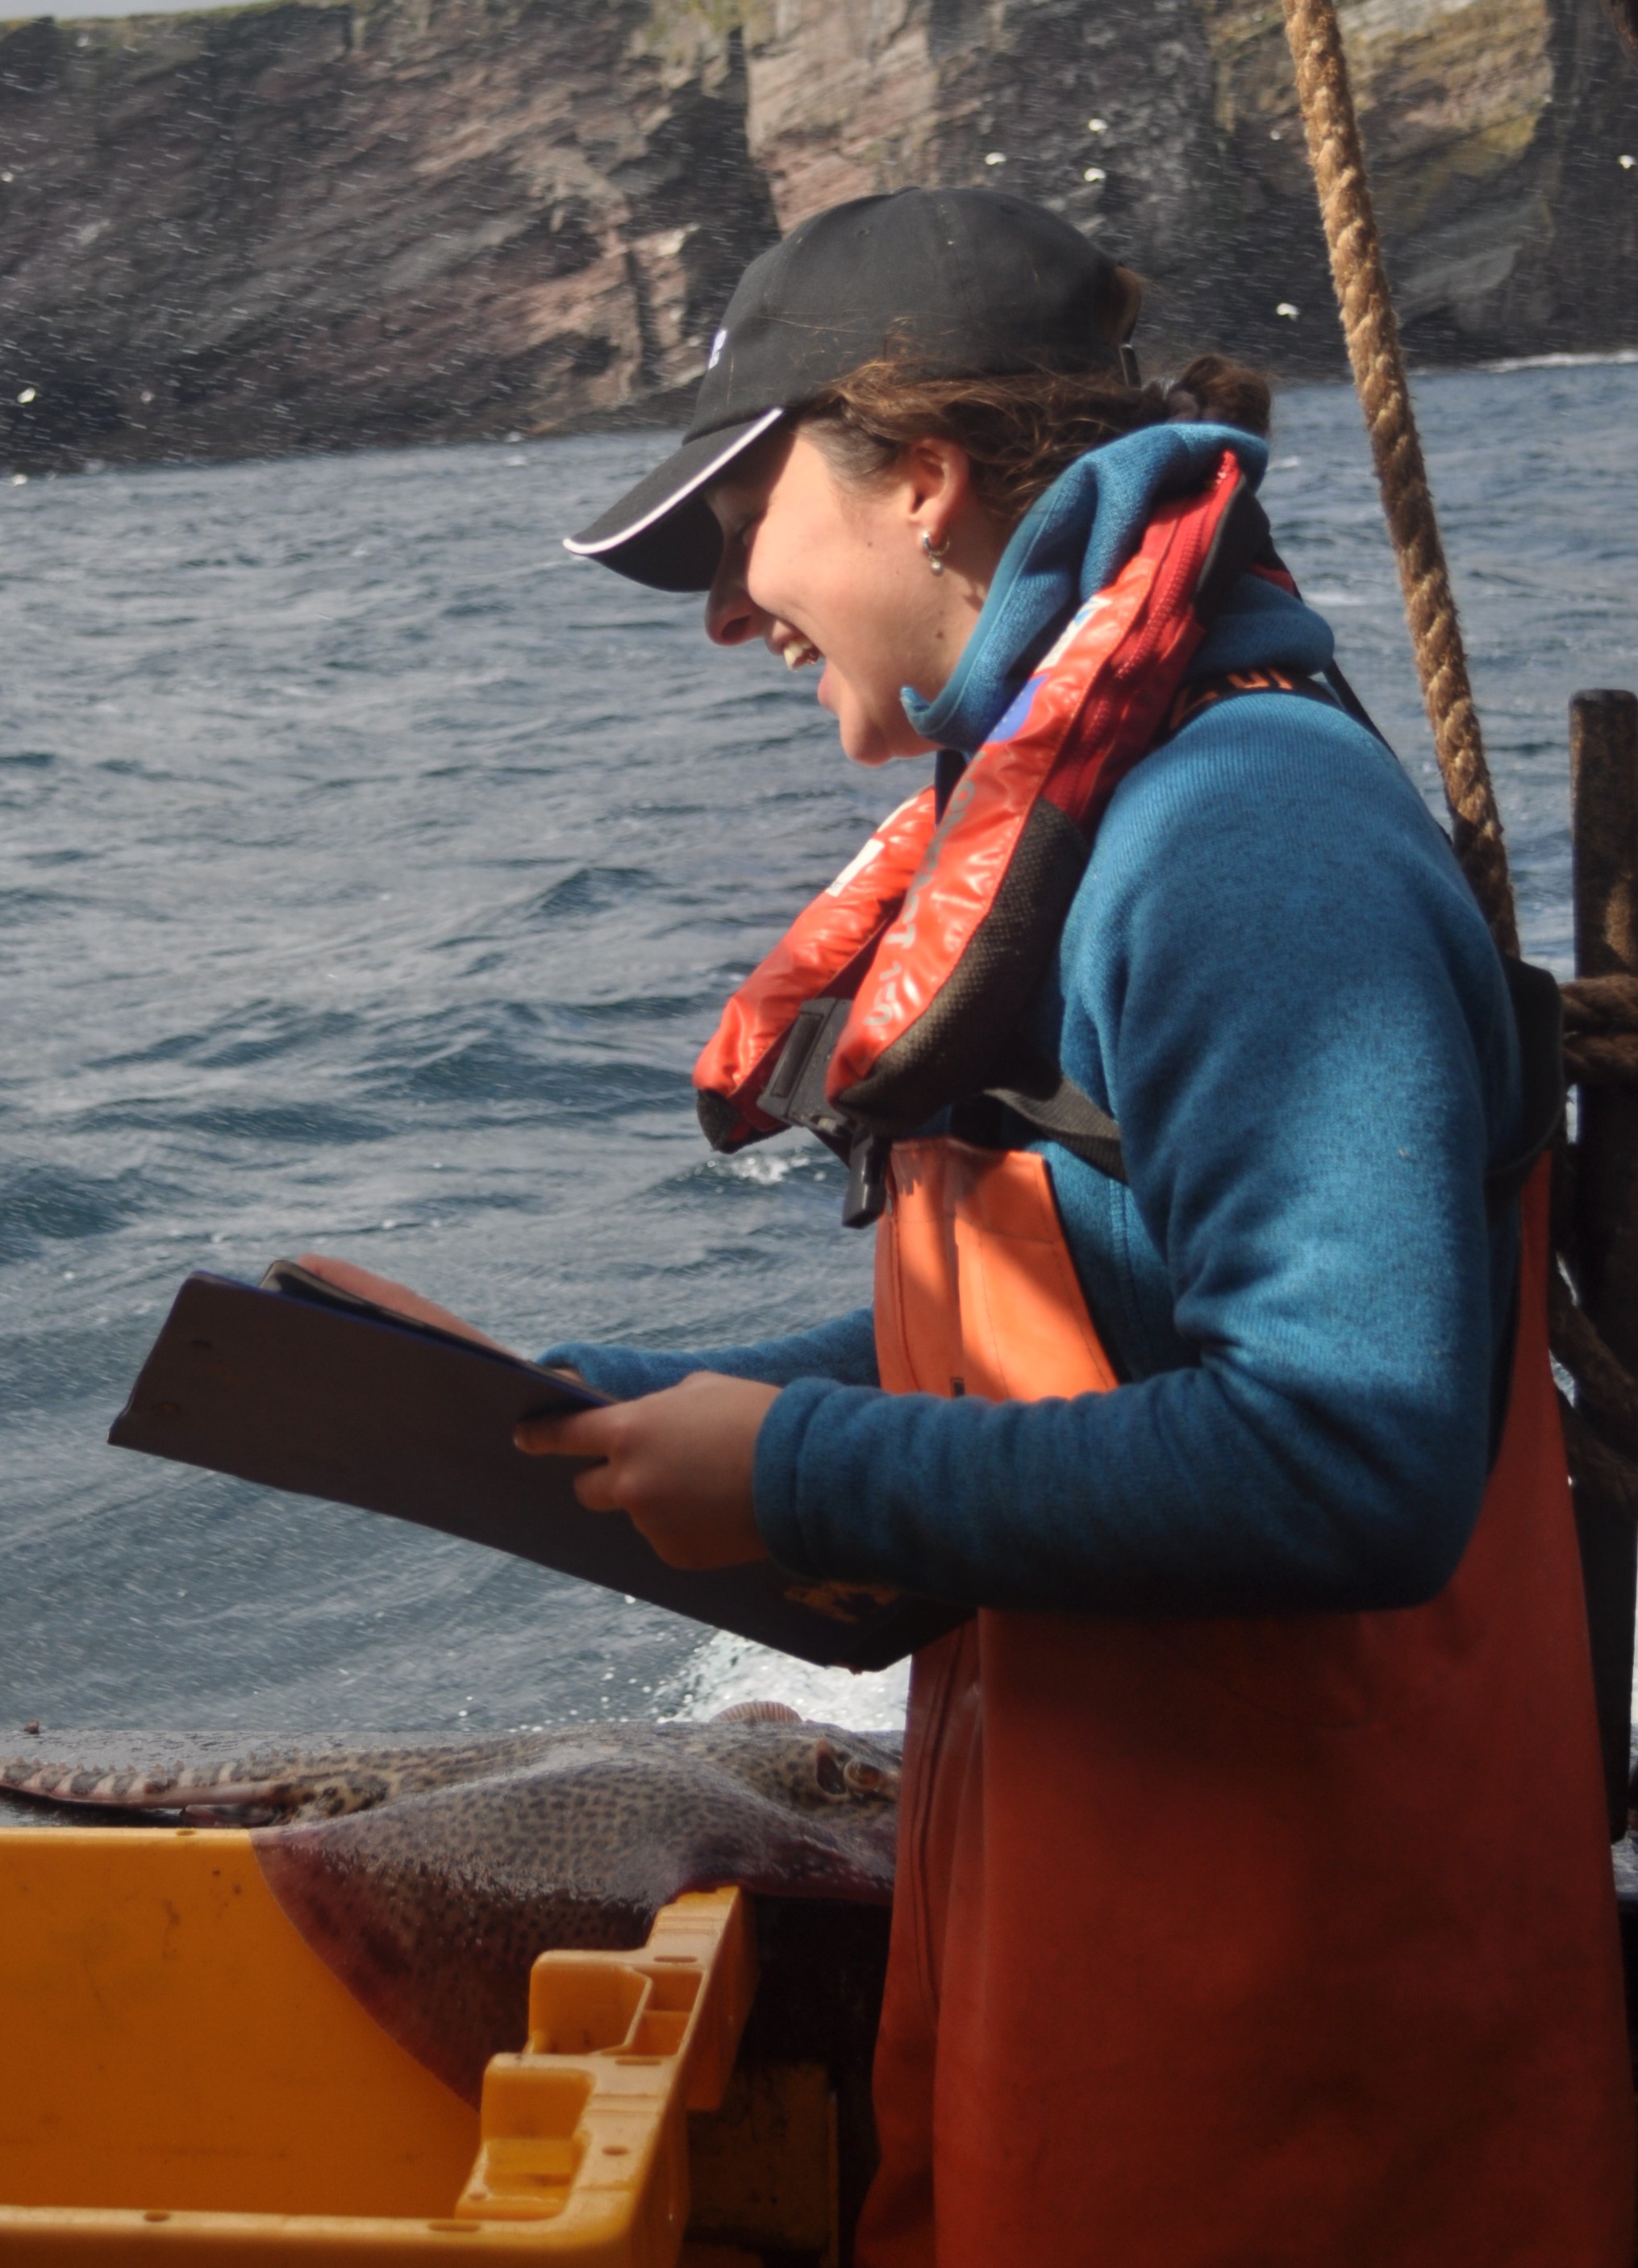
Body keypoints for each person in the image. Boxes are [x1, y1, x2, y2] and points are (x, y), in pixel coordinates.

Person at [310, 188, 1632, 2262]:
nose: (727, 618)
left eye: (739, 533)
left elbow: (1352, 1454)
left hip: (1299, 2018)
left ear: (917, 482)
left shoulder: (1243, 839)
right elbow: (1080, 1330)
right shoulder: (1105, 805)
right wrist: (593, 1406)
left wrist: (790, 1466)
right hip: (1107, 1916)